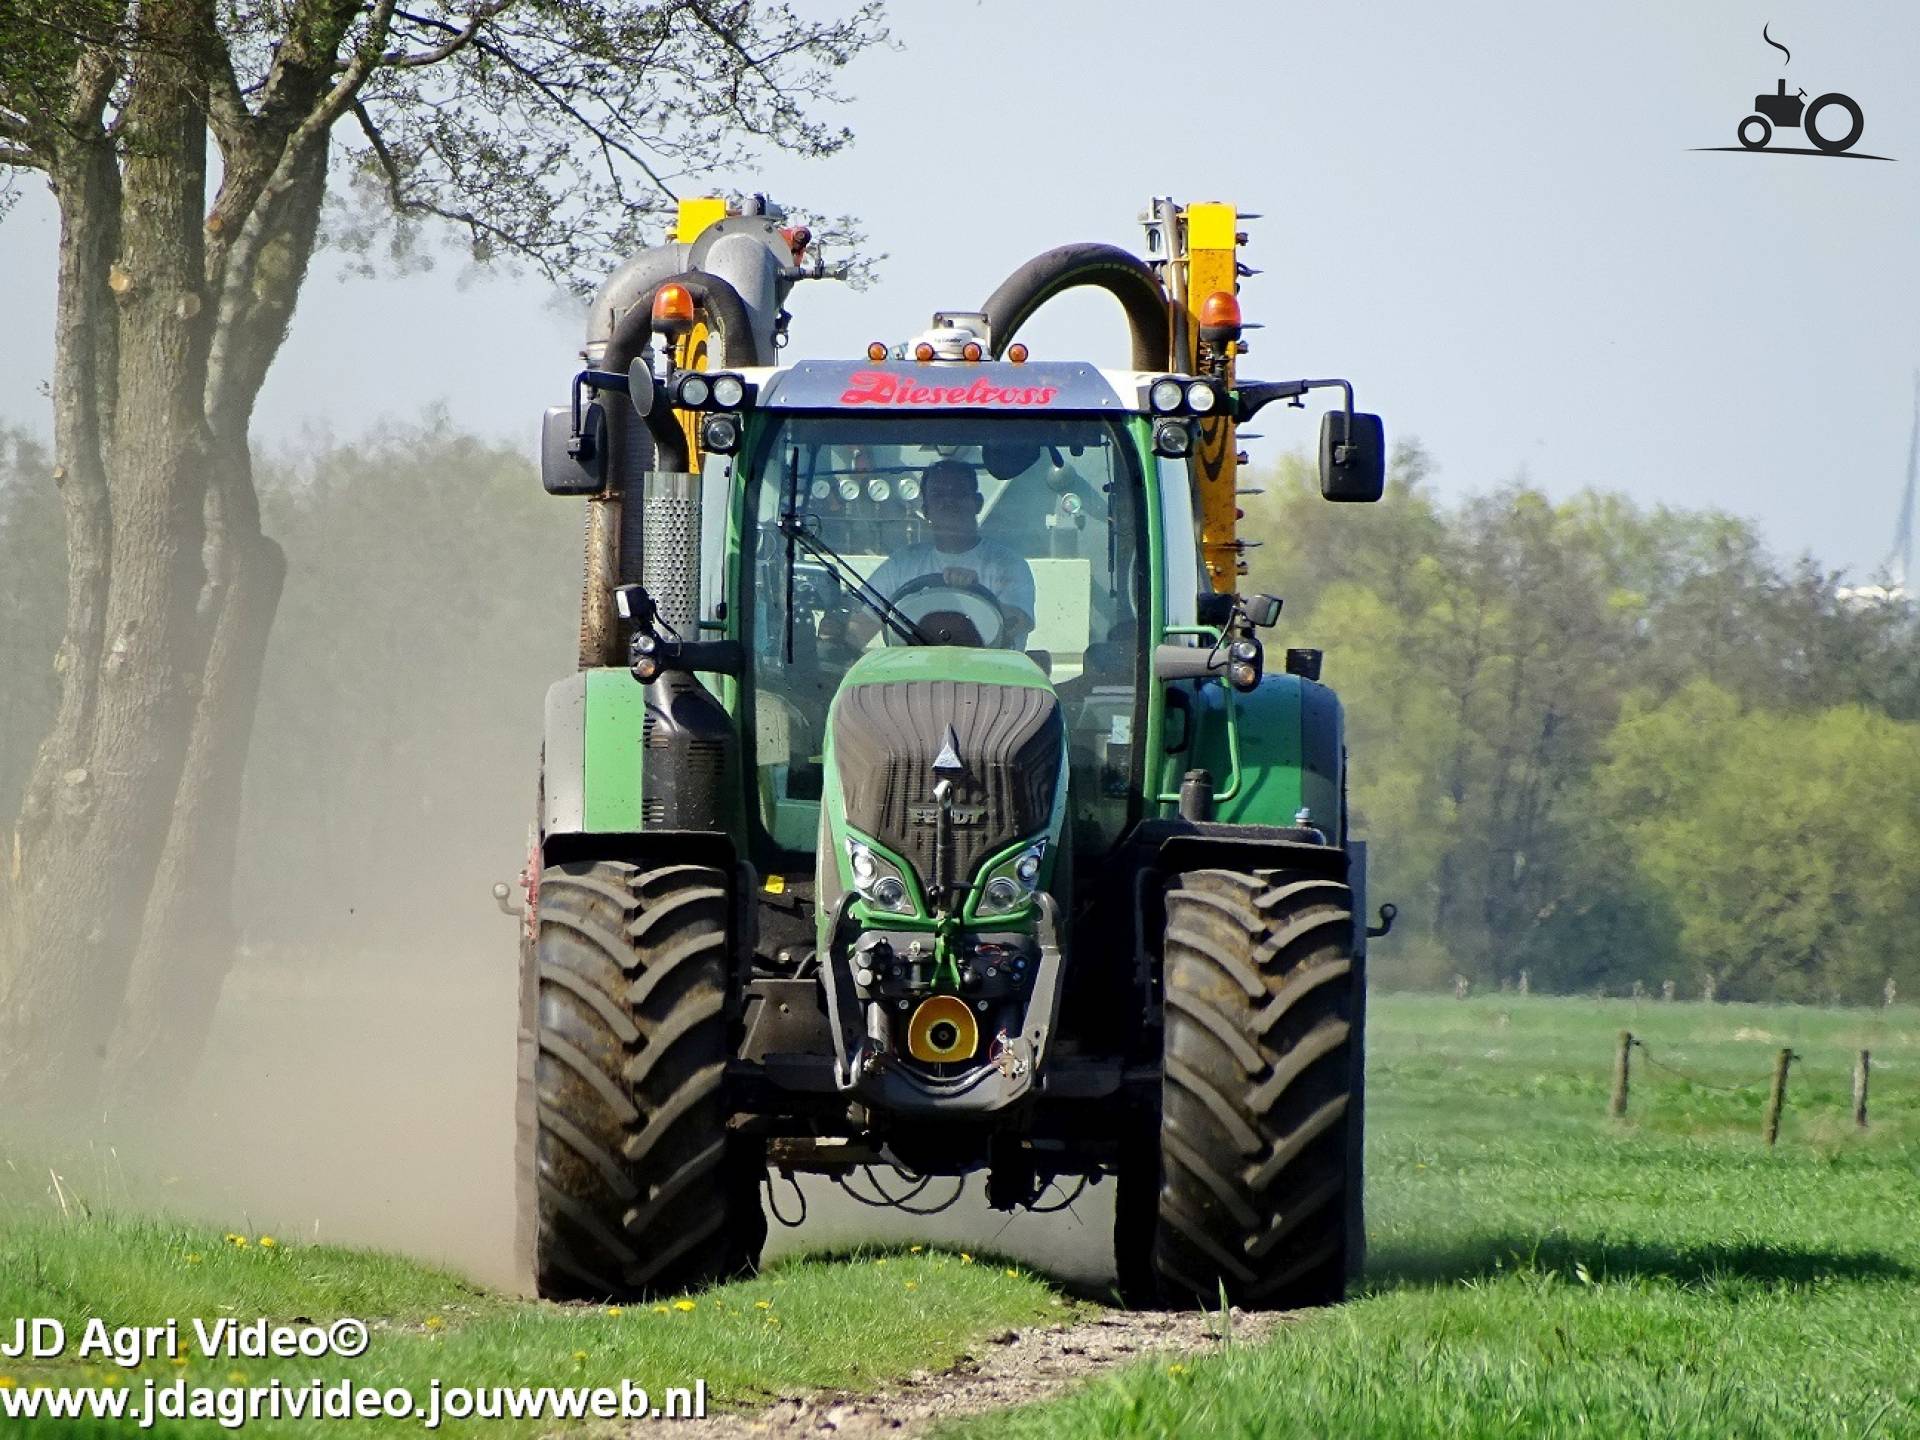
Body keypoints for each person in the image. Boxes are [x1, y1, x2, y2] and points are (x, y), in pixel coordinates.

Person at [848, 458, 1035, 648]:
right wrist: (837, 634)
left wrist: (975, 592)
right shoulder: (902, 565)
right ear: (925, 509)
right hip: (912, 674)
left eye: (959, 493)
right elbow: (859, 630)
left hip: (992, 674)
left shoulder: (1007, 564)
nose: (948, 501)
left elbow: (1019, 622)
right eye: (938, 495)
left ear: (977, 503)